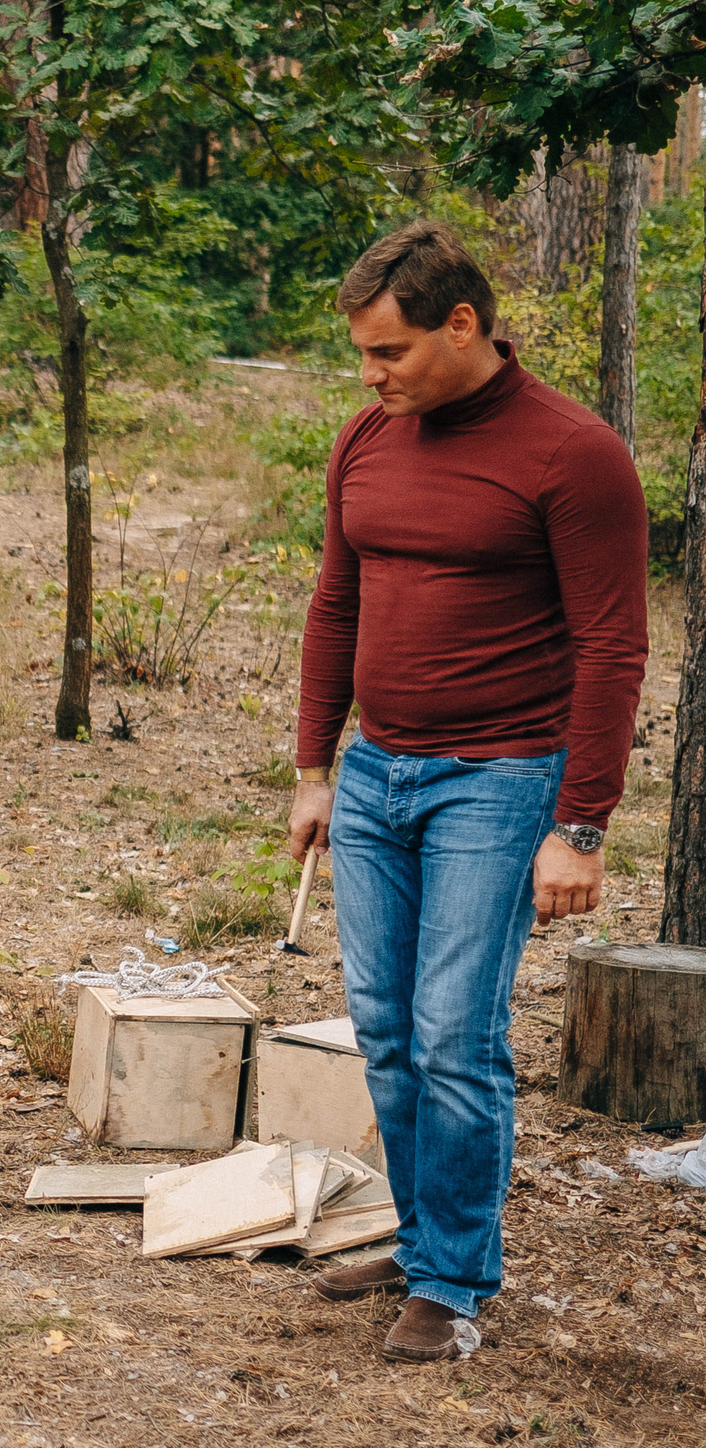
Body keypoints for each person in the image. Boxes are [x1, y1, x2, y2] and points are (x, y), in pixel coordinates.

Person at [289, 222, 646, 1362]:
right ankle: (419, 1235)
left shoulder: (571, 453)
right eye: (361, 354)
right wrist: (312, 768)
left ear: (462, 325)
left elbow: (612, 645)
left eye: (388, 352)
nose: (371, 374)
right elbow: (334, 603)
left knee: (455, 1034)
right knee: (387, 1033)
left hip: (498, 784)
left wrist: (579, 826)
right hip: (374, 775)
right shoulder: (366, 439)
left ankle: (450, 1283)